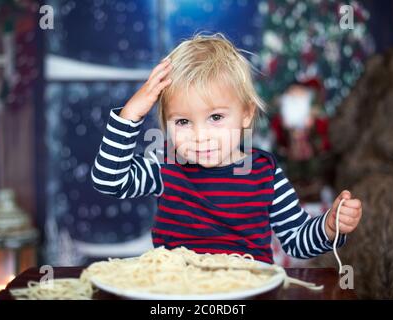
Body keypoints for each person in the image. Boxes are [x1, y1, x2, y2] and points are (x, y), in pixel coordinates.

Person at [91, 33, 362, 263]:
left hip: (248, 291)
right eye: (183, 121)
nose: (200, 135)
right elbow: (109, 180)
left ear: (246, 114)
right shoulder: (165, 163)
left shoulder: (264, 174)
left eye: (216, 118)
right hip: (177, 291)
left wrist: (328, 227)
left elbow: (296, 240)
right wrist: (131, 115)